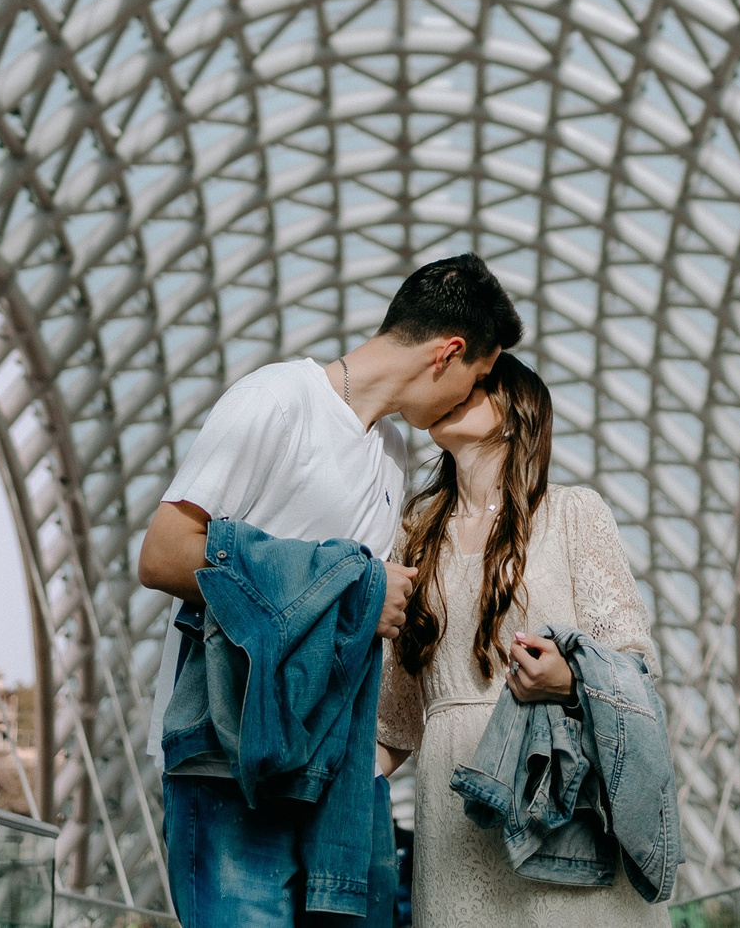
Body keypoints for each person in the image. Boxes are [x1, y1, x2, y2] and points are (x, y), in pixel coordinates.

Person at [137, 253, 523, 926]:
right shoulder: (277, 400)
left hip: (332, 769)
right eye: (478, 378)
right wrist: (356, 586)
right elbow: (163, 552)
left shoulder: (393, 451)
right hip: (229, 761)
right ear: (449, 352)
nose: (469, 398)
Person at [379, 354, 670, 926]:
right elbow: (396, 718)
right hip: (453, 817)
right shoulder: (414, 533)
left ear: (516, 412)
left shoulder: (572, 514)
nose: (453, 391)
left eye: (478, 384)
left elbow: (635, 660)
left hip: (556, 803)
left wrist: (567, 678)